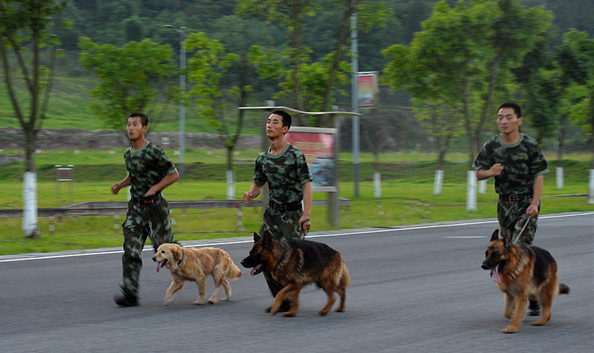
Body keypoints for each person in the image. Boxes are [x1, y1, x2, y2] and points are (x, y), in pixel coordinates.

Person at [473, 102, 549, 316]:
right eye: (499, 118)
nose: (503, 121)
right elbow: (478, 172)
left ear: (519, 121)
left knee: (521, 248)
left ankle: (528, 297)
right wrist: (490, 172)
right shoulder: (491, 145)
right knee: (506, 249)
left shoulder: (530, 145)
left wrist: (535, 203)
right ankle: (525, 292)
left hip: (526, 204)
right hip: (504, 204)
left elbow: (538, 175)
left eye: (508, 117)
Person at [243, 110, 313, 312]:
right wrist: (250, 194)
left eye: (275, 122)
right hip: (271, 214)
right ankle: (281, 299)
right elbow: (258, 184)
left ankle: (289, 296)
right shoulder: (262, 159)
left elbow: (306, 185)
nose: (269, 125)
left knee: (291, 259)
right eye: (267, 122)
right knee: (263, 255)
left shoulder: (295, 156)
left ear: (284, 129)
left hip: (291, 216)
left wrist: (306, 215)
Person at [111, 113, 180, 306]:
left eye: (135, 124)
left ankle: (199, 268)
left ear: (144, 129)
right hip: (136, 209)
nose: (130, 128)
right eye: (128, 124)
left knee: (170, 250)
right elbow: (133, 175)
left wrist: (155, 189)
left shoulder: (154, 152)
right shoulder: (128, 154)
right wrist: (120, 184)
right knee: (130, 249)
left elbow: (173, 175)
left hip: (155, 208)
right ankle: (130, 293)